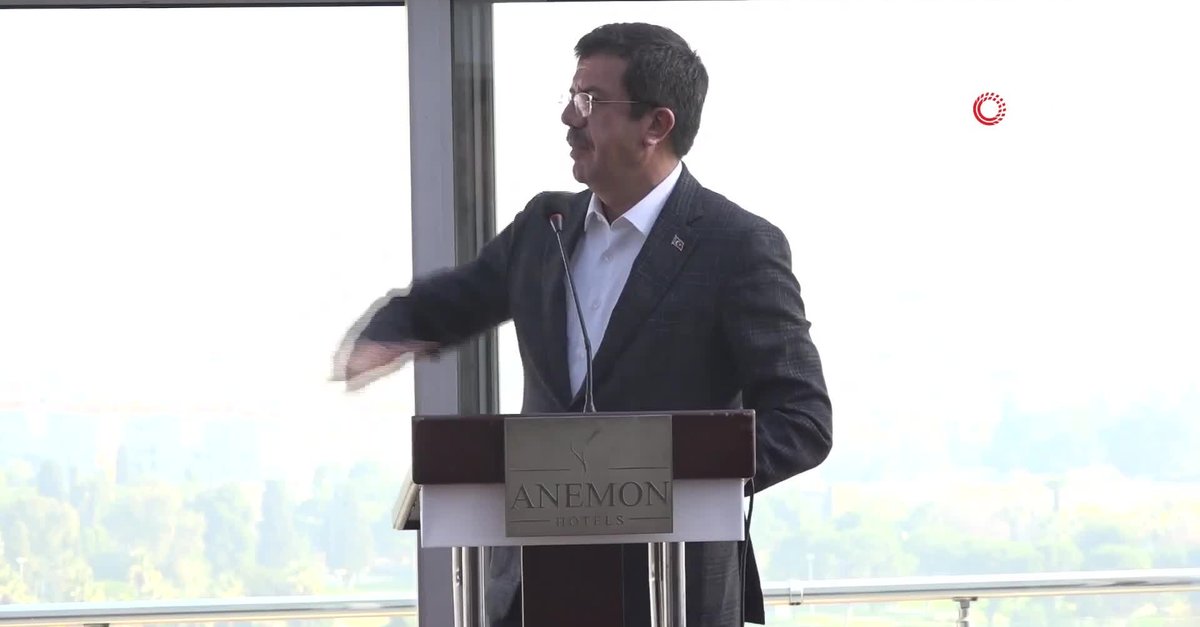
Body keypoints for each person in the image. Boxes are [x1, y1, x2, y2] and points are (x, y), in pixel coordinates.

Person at [333, 22, 832, 627]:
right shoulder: (545, 226)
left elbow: (803, 421)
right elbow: (458, 299)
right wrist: (386, 332)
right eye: (572, 97)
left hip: (673, 590)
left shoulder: (736, 246)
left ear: (656, 125)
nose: (569, 118)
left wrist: (660, 480)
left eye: (590, 101)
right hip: (533, 586)